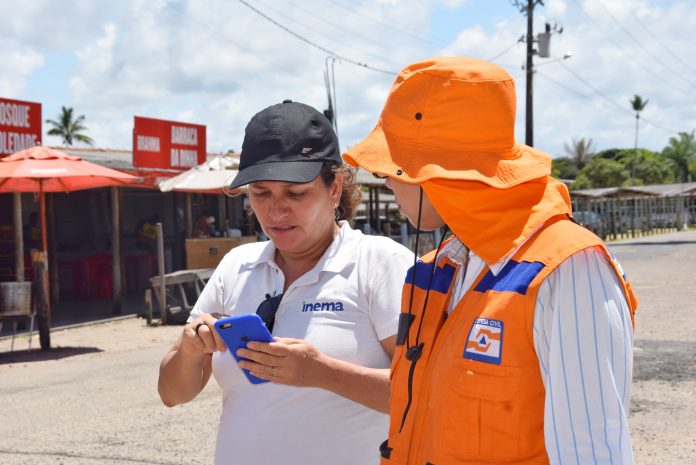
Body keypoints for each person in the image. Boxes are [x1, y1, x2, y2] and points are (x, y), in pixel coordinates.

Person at [343, 57, 639, 465]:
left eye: (393, 169)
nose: (387, 180)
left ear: (436, 173)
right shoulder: (437, 269)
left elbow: (592, 454)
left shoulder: (570, 270)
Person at [158, 100, 414, 465]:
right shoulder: (237, 266)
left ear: (335, 188)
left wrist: (323, 373)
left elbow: (425, 398)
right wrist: (188, 348)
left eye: (295, 193)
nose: (276, 211)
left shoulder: (379, 263)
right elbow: (172, 395)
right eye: (261, 193)